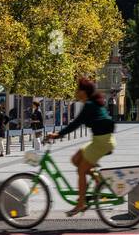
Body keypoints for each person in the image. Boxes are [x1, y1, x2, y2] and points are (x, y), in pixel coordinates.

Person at [44, 77, 115, 217]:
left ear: (84, 92)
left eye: (78, 89)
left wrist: (57, 134)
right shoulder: (91, 103)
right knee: (76, 159)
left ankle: (81, 203)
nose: (76, 92)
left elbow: (75, 124)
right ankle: (99, 182)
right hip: (100, 140)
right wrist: (59, 134)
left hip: (102, 142)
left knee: (82, 170)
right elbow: (78, 123)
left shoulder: (89, 105)